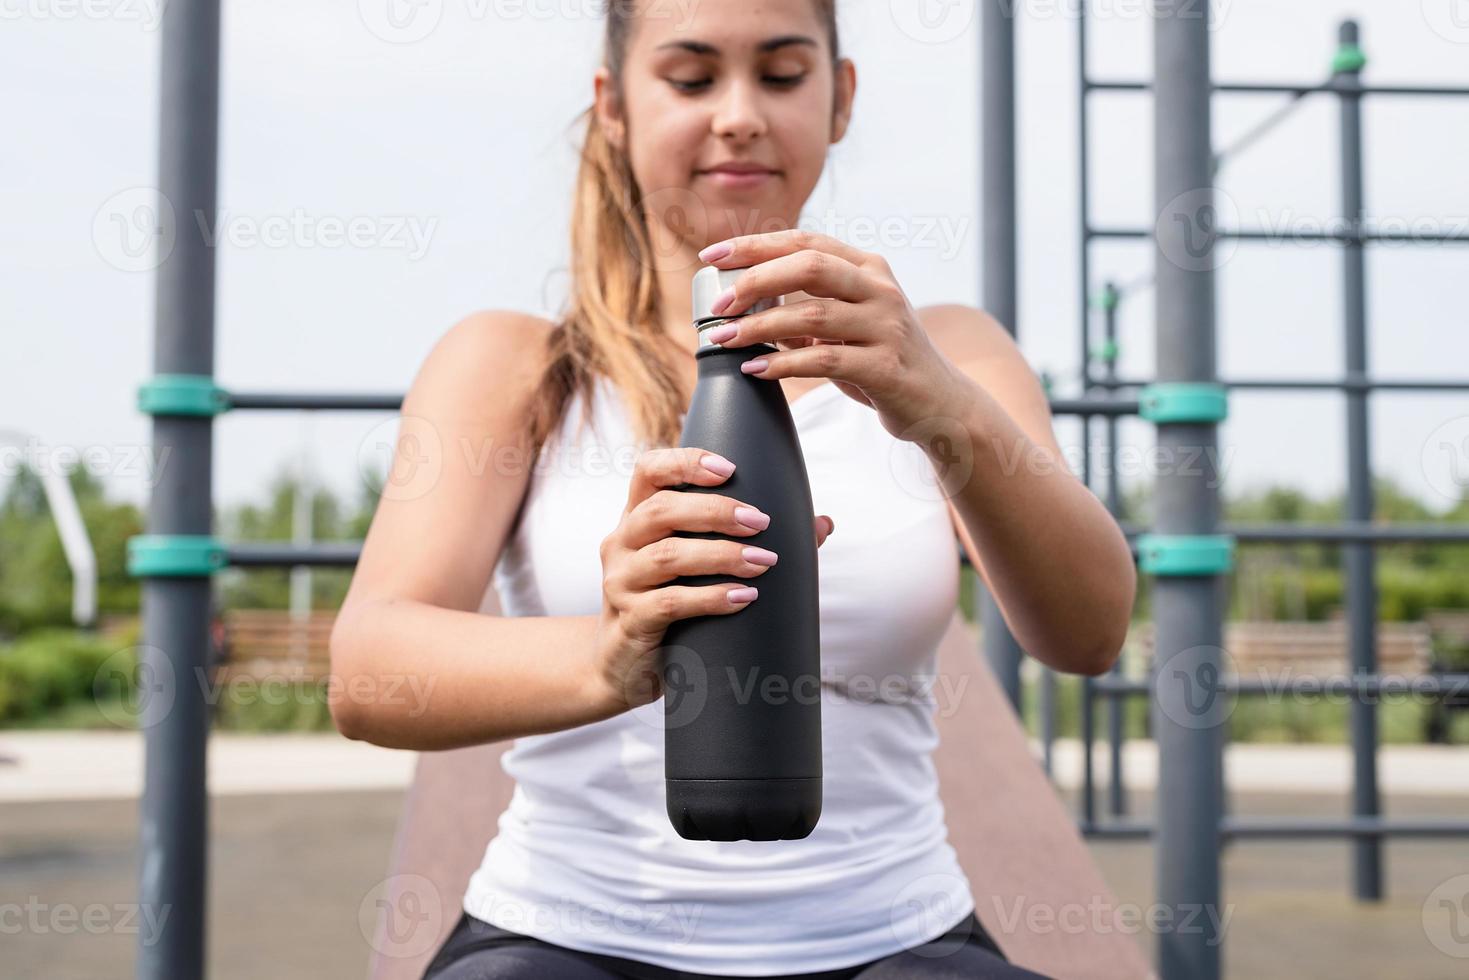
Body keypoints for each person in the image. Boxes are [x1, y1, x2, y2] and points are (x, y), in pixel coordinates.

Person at [329, 1, 1136, 977]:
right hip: (568, 932)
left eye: (783, 75)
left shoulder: (947, 351)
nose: (740, 114)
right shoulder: (516, 364)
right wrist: (610, 652)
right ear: (613, 107)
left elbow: (1086, 631)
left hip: (892, 934)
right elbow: (368, 670)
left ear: (839, 99)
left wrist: (939, 407)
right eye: (691, 77)